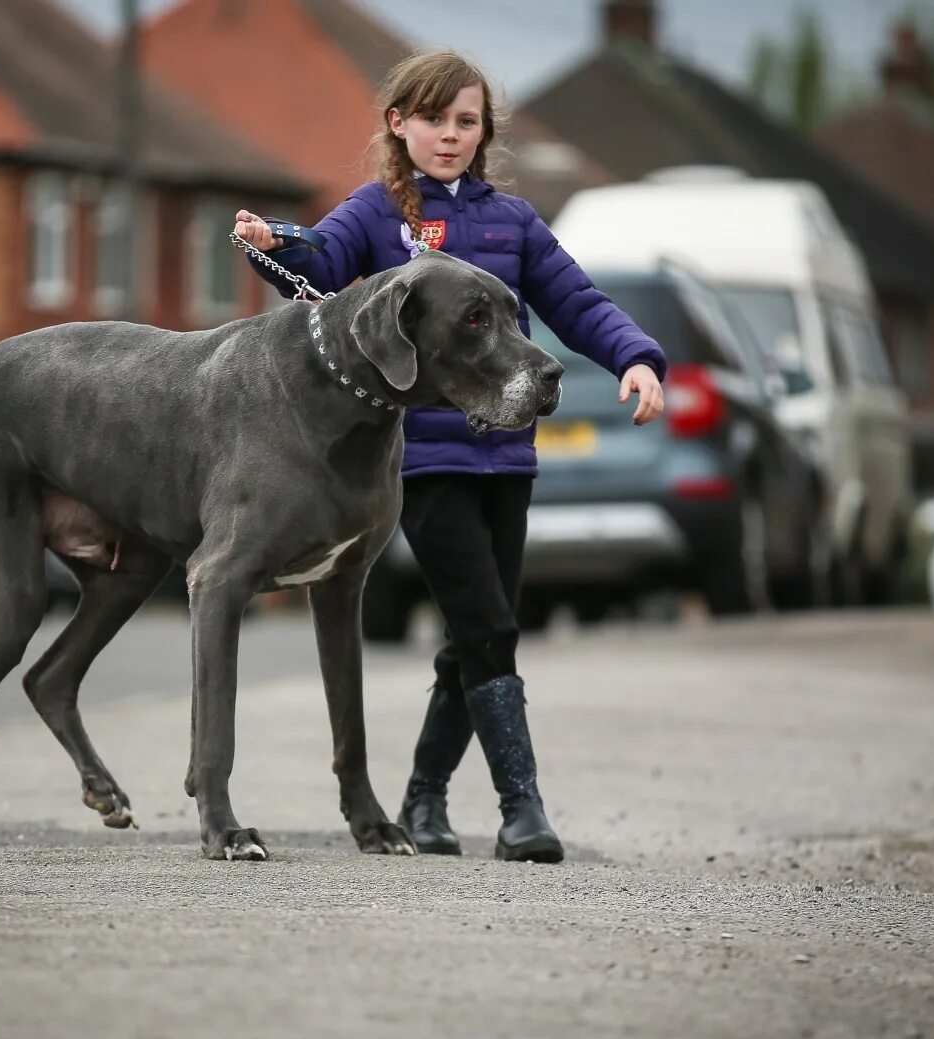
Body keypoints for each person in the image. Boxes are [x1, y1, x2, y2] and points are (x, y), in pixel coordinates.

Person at [235, 50, 668, 863]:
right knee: (489, 626)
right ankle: (522, 811)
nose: (450, 135)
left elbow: (576, 302)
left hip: (509, 458)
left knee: (479, 633)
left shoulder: (514, 223)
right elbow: (322, 265)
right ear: (399, 124)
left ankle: (424, 799)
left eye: (466, 121)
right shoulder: (373, 215)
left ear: (483, 132)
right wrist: (279, 243)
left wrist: (636, 357)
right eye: (434, 119)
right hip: (423, 460)